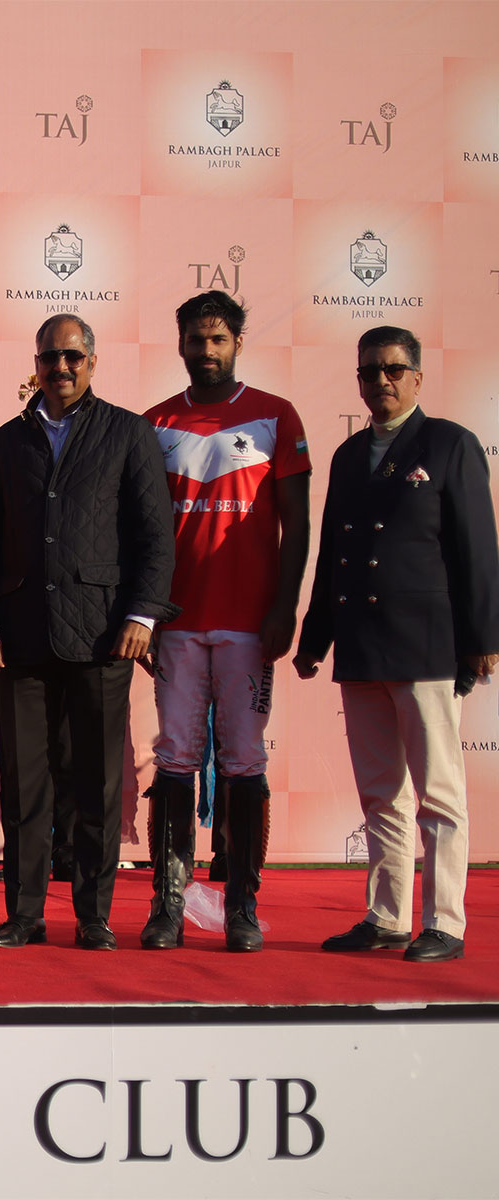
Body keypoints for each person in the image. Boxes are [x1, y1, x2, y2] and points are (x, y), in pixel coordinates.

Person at [0, 314, 177, 951]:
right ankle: (24, 915)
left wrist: (142, 615)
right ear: (35, 364)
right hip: (21, 636)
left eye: (72, 357)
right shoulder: (7, 441)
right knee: (24, 785)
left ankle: (93, 916)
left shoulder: (129, 433)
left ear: (92, 362)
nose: (60, 367)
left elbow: (155, 536)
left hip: (103, 634)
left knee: (97, 786)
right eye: (50, 357)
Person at [296, 325, 499, 963]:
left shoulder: (449, 443)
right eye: (368, 371)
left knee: (438, 794)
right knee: (382, 794)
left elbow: (477, 547)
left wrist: (483, 637)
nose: (380, 381)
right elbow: (333, 552)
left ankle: (444, 923)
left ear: (416, 377)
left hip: (426, 645)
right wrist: (315, 636)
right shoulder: (348, 455)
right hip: (361, 646)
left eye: (391, 370)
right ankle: (386, 918)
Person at [140, 290, 311, 952]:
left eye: (217, 339)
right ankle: (167, 905)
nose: (206, 350)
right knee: (175, 759)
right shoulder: (155, 422)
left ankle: (242, 904)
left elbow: (297, 523)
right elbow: (139, 532)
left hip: (248, 625)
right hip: (177, 624)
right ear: (180, 344)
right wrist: (144, 615)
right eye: (195, 339)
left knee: (243, 761)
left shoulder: (275, 415)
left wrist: (285, 606)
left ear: (237, 343)